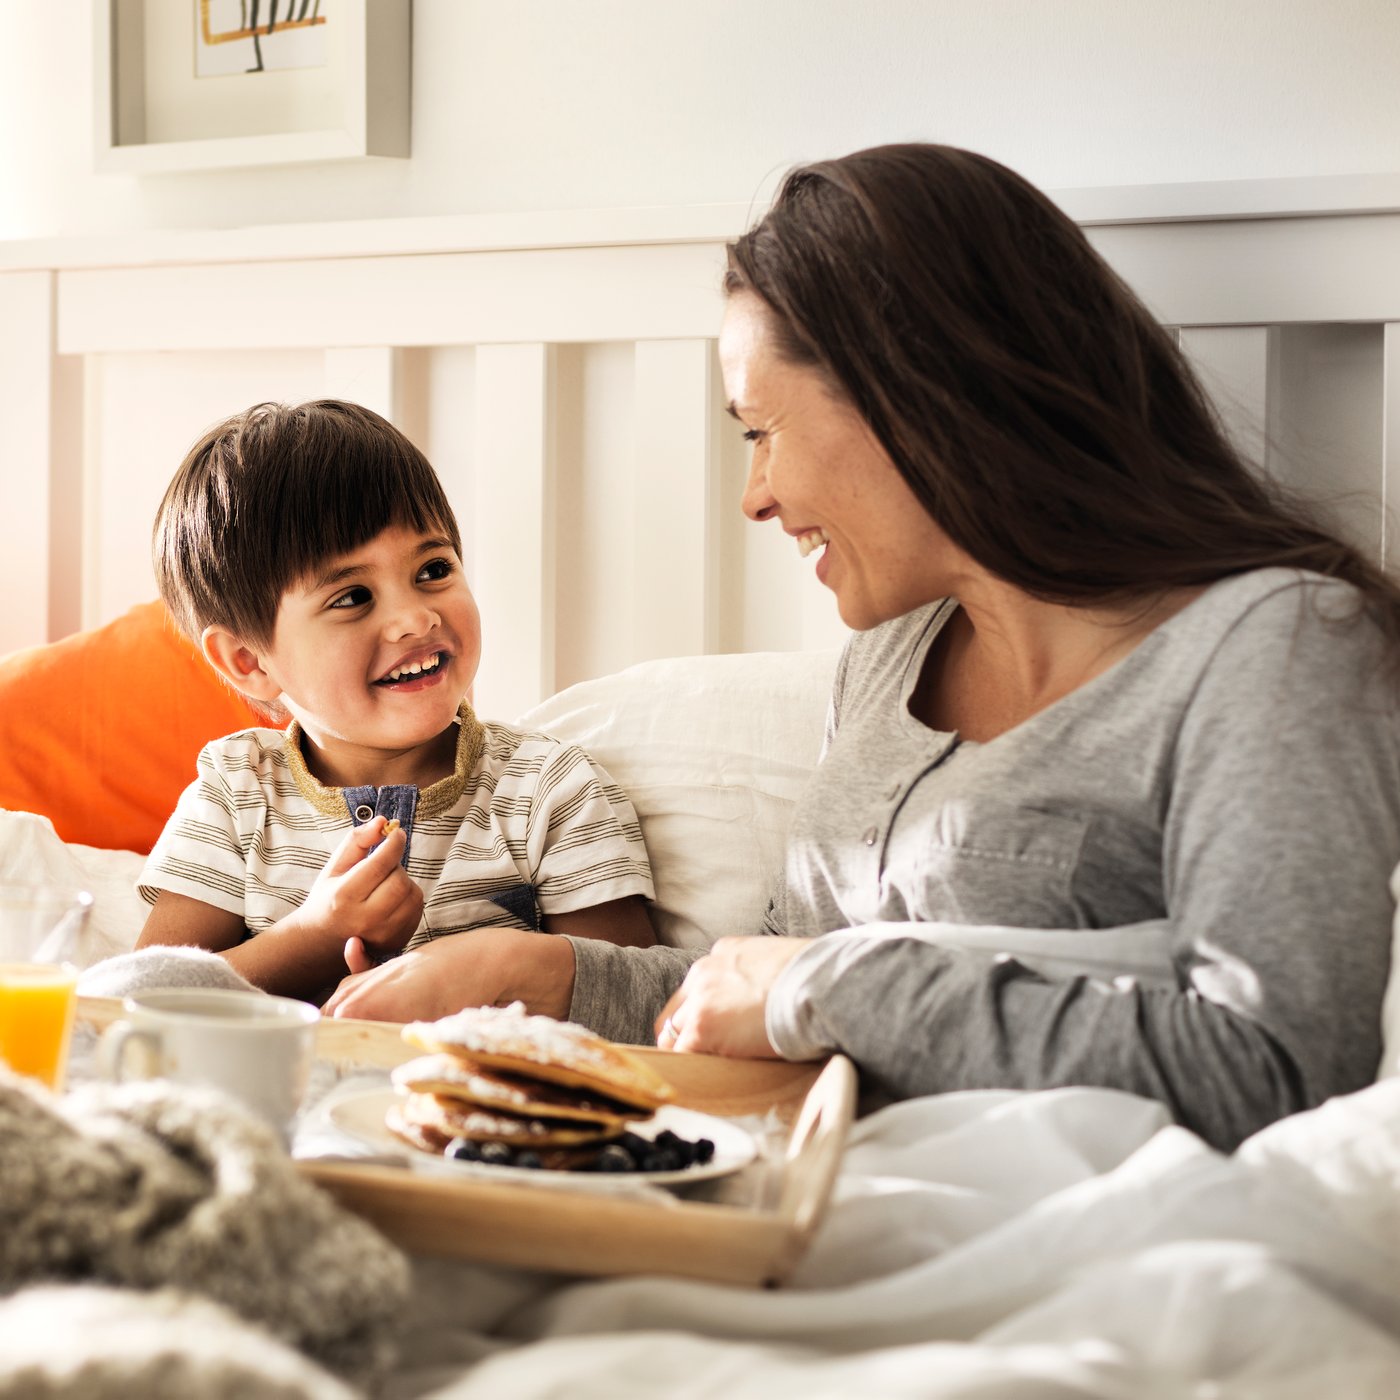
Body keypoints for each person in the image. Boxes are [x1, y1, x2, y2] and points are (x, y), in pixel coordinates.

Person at [326, 145, 1400, 1153]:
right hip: (807, 1175)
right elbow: (757, 1000)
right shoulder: (890, 661)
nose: (753, 495)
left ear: (911, 394)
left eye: (760, 430)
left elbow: (1279, 1069)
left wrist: (828, 988)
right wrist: (541, 973)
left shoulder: (1274, 648)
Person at [135, 400, 655, 1004]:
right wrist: (315, 937)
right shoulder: (236, 790)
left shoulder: (549, 790)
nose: (415, 617)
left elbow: (634, 1005)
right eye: (352, 596)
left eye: (433, 569)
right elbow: (140, 998)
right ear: (249, 661)